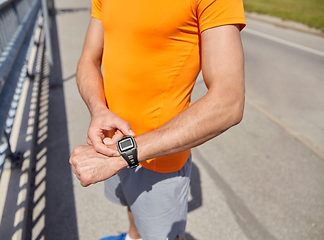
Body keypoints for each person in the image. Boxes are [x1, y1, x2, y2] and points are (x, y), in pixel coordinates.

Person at [69, 0, 246, 239]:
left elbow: (228, 102)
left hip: (161, 156)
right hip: (113, 144)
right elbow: (88, 59)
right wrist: (98, 109)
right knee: (131, 205)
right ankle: (133, 237)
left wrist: (127, 154)